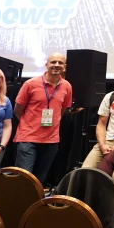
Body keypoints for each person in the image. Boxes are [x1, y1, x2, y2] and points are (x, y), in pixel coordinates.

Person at [14, 53, 73, 183]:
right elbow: (18, 110)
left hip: (51, 140)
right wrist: (29, 124)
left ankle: (35, 203)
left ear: (64, 67)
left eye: (60, 63)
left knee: (39, 180)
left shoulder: (67, 86)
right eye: (53, 62)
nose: (56, 65)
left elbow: (61, 111)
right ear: (46, 65)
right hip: (28, 138)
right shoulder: (30, 84)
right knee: (24, 179)